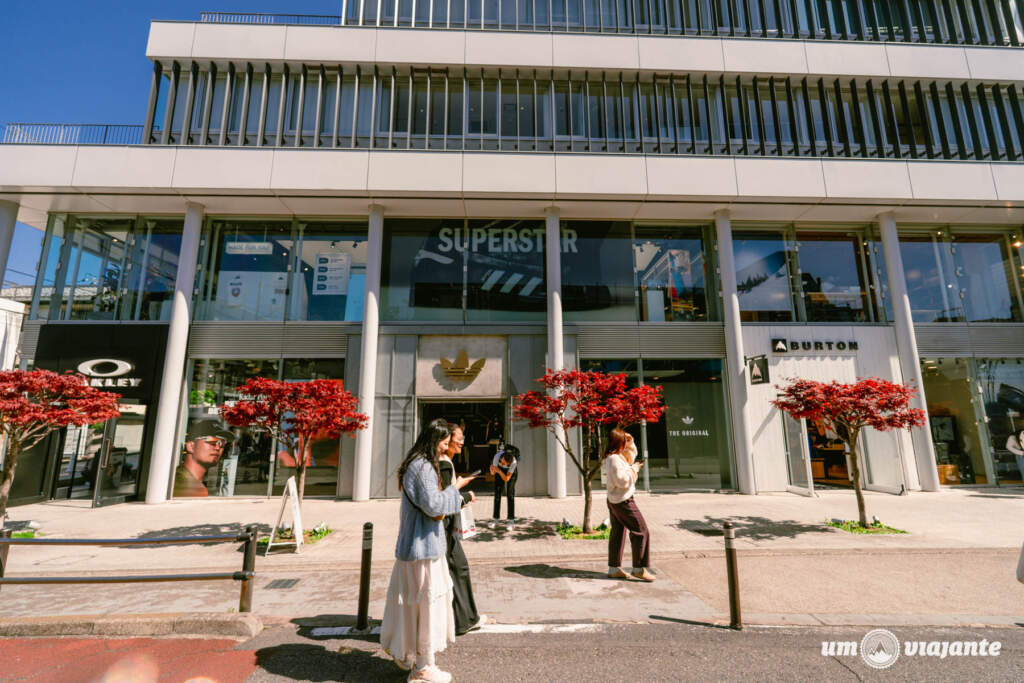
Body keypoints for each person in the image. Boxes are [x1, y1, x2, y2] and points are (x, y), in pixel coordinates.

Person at [381, 418, 476, 683]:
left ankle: (404, 653)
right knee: (427, 607)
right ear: (433, 441)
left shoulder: (415, 464)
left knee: (412, 605)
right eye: (443, 443)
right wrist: (457, 493)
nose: (445, 449)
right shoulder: (423, 467)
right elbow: (435, 506)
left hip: (415, 547)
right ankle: (423, 667)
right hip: (423, 548)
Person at [439, 423, 486, 636]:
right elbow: (446, 500)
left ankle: (461, 618)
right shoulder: (444, 464)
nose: (462, 441)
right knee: (459, 569)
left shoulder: (443, 462)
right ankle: (465, 620)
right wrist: (466, 496)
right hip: (445, 529)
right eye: (459, 437)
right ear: (446, 439)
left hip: (443, 528)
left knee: (455, 570)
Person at [602, 427, 655, 582]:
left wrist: (631, 443)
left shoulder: (616, 456)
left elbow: (630, 457)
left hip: (615, 500)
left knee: (618, 533)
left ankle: (614, 569)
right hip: (623, 500)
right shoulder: (614, 459)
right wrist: (635, 469)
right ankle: (638, 569)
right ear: (618, 442)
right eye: (624, 441)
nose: (626, 444)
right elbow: (623, 481)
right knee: (641, 531)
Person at [173, 419, 235, 497]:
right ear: (191, 446)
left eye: (222, 443)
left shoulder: (181, 477)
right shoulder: (191, 488)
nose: (217, 447)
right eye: (212, 441)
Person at [489, 445, 518, 527]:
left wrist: (499, 471)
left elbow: (506, 479)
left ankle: (511, 520)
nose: (502, 463)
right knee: (497, 494)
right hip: (499, 472)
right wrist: (492, 470)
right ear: (502, 457)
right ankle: (496, 519)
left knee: (510, 495)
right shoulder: (497, 457)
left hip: (510, 475)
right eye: (502, 462)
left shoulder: (514, 462)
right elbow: (492, 473)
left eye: (505, 464)